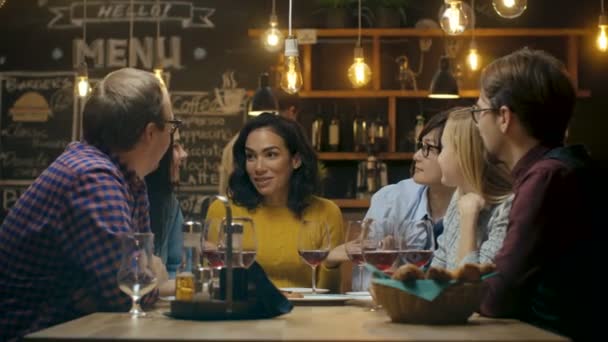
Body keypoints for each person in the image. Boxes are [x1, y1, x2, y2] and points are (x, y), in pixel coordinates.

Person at [0, 68, 172, 341]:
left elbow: (133, 276)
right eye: (173, 125)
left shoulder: (122, 177)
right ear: (151, 133)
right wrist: (147, 275)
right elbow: (124, 292)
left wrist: (142, 274)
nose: (173, 136)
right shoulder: (92, 178)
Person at [473, 48, 601, 340]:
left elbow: (497, 296)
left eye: (479, 111)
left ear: (504, 117)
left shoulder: (546, 178)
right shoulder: (564, 168)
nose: (477, 124)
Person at [207, 113, 344, 292]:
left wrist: (331, 265)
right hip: (243, 316)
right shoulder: (223, 211)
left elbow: (329, 296)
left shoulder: (326, 212)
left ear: (296, 160)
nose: (259, 168)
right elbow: (211, 286)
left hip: (305, 316)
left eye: (271, 155)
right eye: (251, 156)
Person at [329, 110, 455, 291]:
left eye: (428, 148)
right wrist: (389, 268)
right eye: (420, 147)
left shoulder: (476, 208)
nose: (416, 156)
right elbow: (364, 283)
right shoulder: (390, 200)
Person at [431, 108, 513, 270]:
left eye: (443, 148)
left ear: (463, 153)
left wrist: (469, 219)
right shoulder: (460, 196)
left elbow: (472, 287)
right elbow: (437, 272)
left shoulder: (508, 208)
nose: (439, 157)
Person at [145, 127, 188, 279]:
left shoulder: (169, 204)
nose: (184, 154)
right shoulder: (117, 194)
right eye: (175, 146)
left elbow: (179, 269)